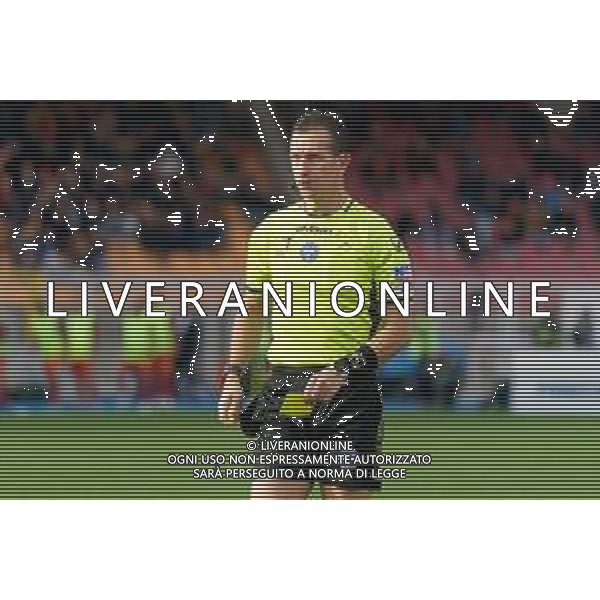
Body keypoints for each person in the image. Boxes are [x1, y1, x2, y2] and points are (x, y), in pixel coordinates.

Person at [218, 111, 412, 499]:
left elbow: (400, 326)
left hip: (349, 394)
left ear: (342, 161)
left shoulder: (374, 231)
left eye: (315, 157)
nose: (302, 168)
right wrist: (235, 375)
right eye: (296, 157)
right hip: (285, 392)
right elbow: (252, 310)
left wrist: (344, 369)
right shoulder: (270, 231)